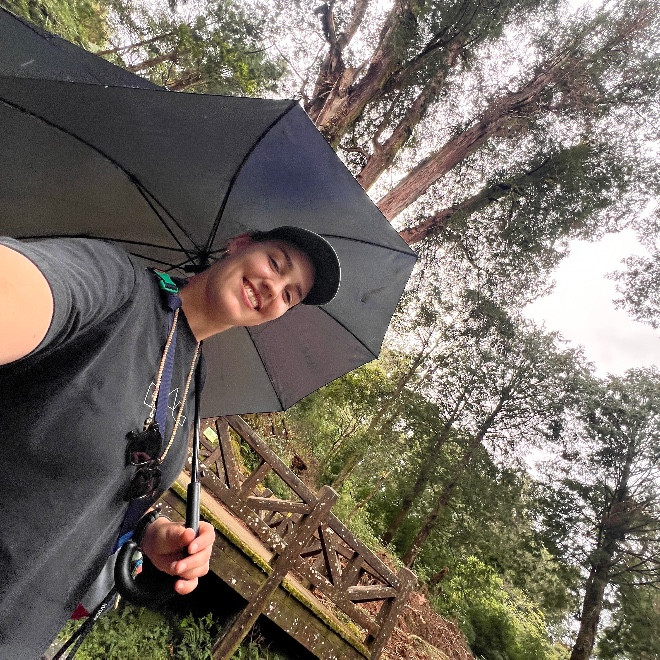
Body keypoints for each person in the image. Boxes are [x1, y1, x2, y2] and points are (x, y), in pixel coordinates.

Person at [0, 227, 340, 658]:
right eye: (275, 263)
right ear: (239, 244)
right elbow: (25, 289)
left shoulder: (195, 376)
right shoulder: (118, 286)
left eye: (290, 295)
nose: (274, 288)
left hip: (22, 632)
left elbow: (110, 487)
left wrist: (153, 533)